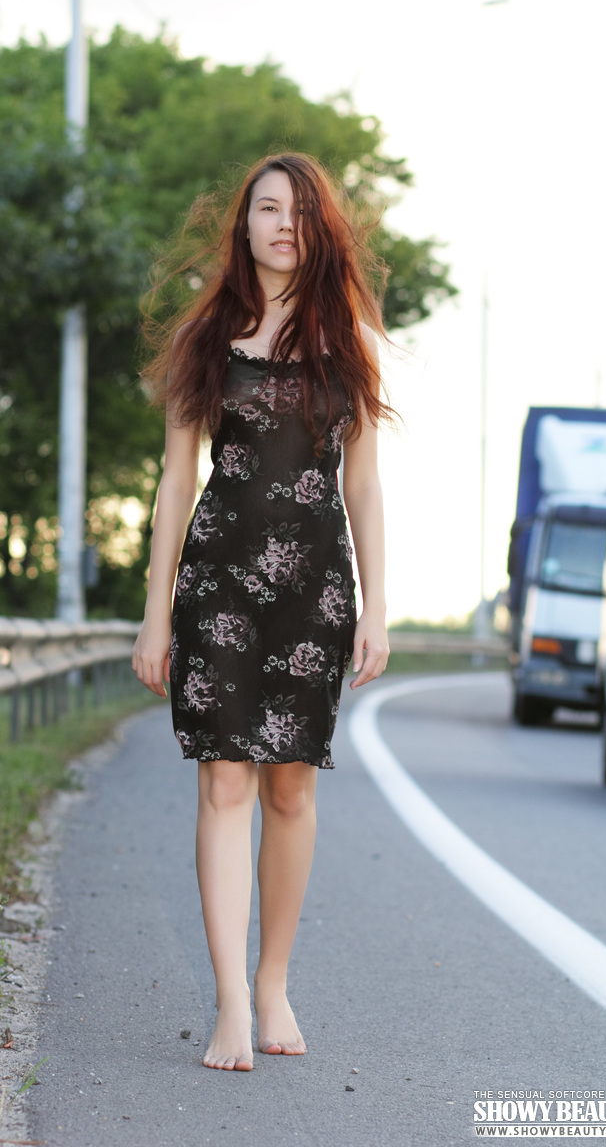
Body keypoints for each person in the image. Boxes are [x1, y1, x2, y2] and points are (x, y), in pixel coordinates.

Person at [132, 152, 393, 1071]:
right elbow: (176, 483)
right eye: (269, 208)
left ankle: (274, 980)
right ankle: (232, 1002)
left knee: (290, 786)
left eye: (301, 211)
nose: (285, 225)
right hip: (219, 583)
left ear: (322, 230)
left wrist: (377, 607)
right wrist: (155, 613)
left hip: (316, 587)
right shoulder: (205, 336)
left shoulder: (349, 340)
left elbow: (363, 485)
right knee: (223, 782)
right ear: (243, 225)